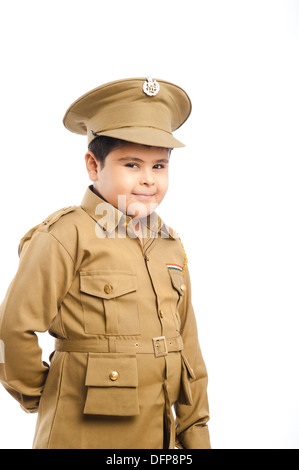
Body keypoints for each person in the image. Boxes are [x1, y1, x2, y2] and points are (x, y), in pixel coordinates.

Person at [0, 77, 211, 449]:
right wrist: (41, 395)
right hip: (82, 433)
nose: (148, 180)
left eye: (159, 166)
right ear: (93, 166)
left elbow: (187, 347)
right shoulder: (65, 236)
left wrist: (195, 433)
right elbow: (12, 329)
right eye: (132, 164)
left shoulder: (169, 246)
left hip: (160, 438)